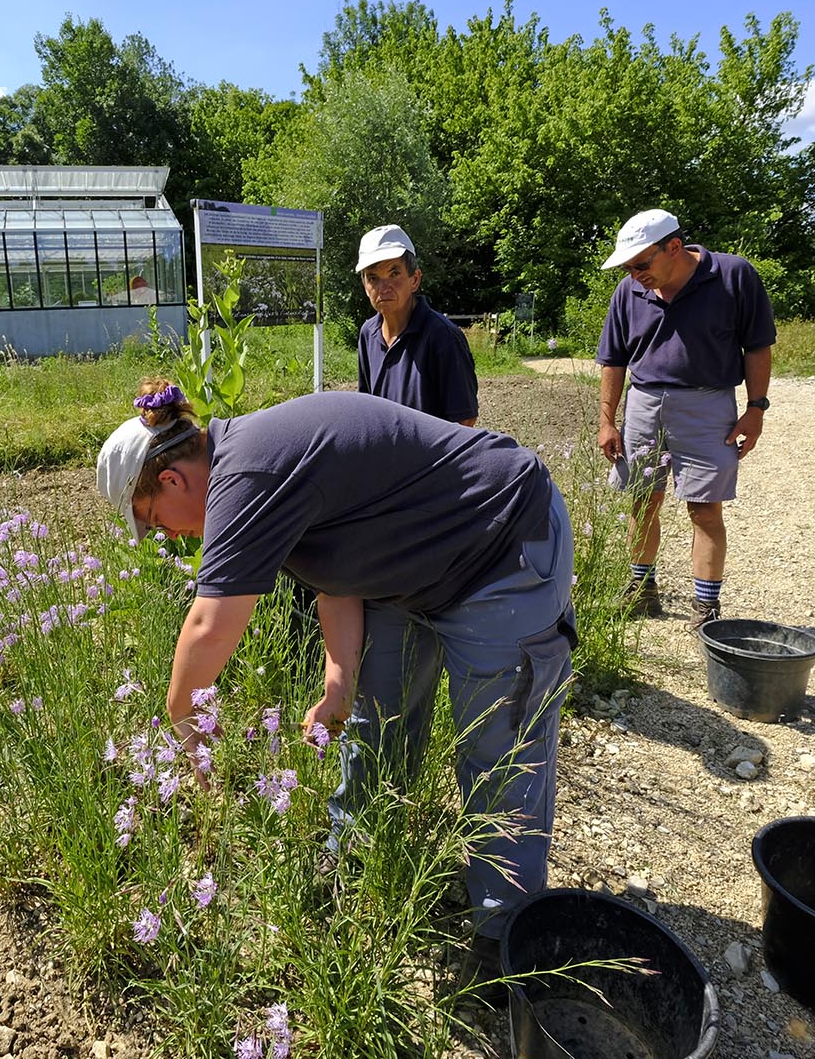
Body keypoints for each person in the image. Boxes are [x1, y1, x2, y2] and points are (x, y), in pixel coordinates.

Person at [96, 378, 575, 968]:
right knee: (377, 716)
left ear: (171, 480)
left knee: (498, 752)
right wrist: (338, 679)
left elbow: (209, 625)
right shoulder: (251, 469)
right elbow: (335, 573)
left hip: (499, 543)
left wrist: (181, 715)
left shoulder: (247, 474)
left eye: (154, 521)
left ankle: (505, 938)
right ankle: (356, 858)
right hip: (419, 565)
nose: (166, 536)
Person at [595, 208, 775, 630]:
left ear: (674, 247)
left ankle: (706, 607)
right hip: (643, 404)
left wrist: (755, 408)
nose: (635, 274)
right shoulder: (628, 291)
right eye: (628, 267)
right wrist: (607, 421)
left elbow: (757, 347)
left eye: (642, 264)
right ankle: (641, 590)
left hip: (708, 405)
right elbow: (613, 361)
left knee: (705, 509)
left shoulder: (732, 276)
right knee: (643, 500)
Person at [354, 225, 479, 426]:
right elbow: (367, 405)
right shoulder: (368, 333)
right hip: (383, 456)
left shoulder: (442, 336)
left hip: (430, 457)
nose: (383, 288)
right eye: (373, 278)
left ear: (414, 279)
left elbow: (465, 418)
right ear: (365, 286)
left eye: (394, 274)